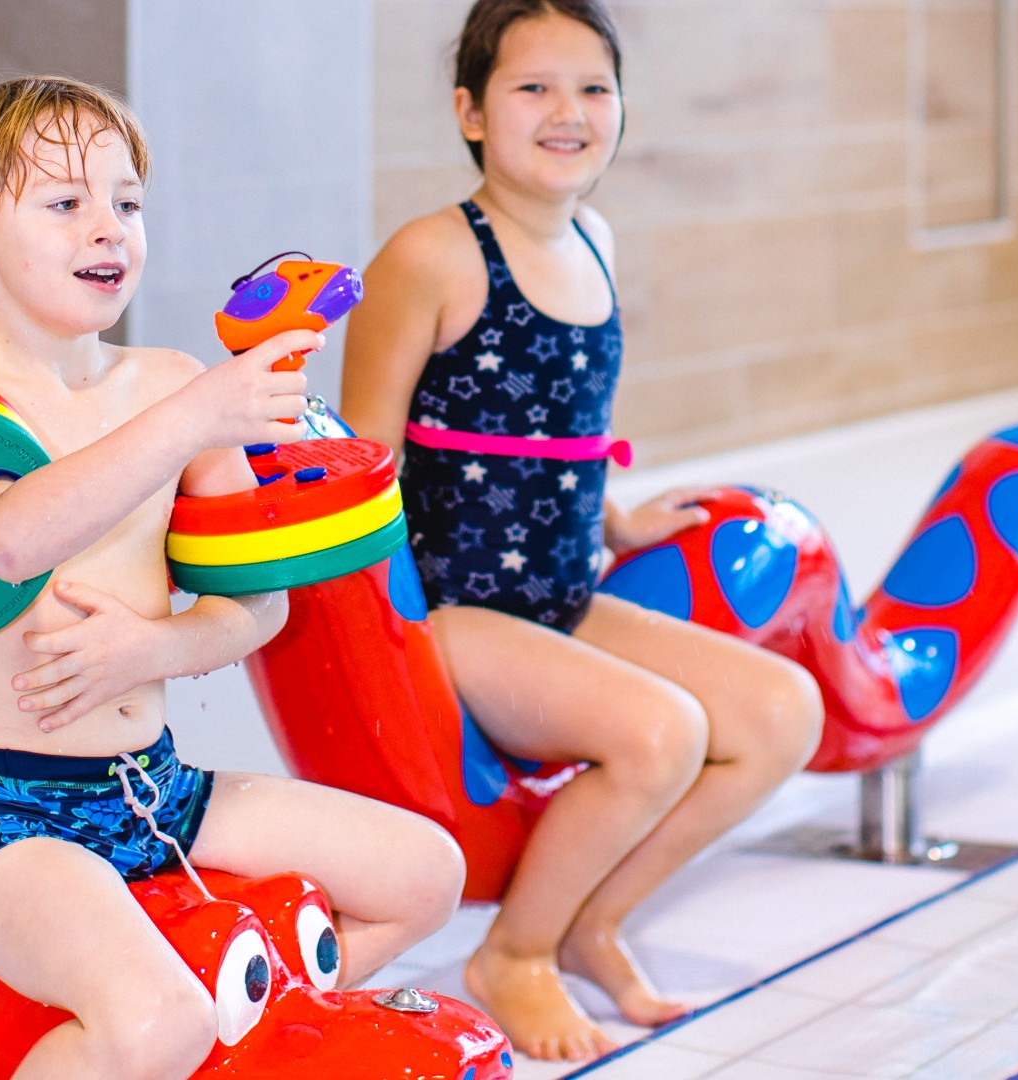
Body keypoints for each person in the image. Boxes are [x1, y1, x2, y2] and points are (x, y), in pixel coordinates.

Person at [0, 76, 466, 1080]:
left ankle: (255, 1047)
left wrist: (155, 646)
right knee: (160, 1022)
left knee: (428, 874)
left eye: (127, 203)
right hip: (5, 814)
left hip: (155, 786)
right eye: (65, 203)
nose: (108, 229)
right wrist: (198, 417)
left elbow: (256, 604)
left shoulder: (167, 382)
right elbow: (5, 539)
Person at [341, 0, 826, 1062]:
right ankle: (513, 955)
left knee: (783, 709)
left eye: (593, 89)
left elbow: (563, 421)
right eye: (533, 88)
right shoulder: (431, 255)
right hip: (456, 610)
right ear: (470, 112)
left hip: (560, 593)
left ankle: (594, 919)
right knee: (663, 734)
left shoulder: (594, 239)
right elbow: (361, 462)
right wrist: (385, 648)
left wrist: (617, 515)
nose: (569, 112)